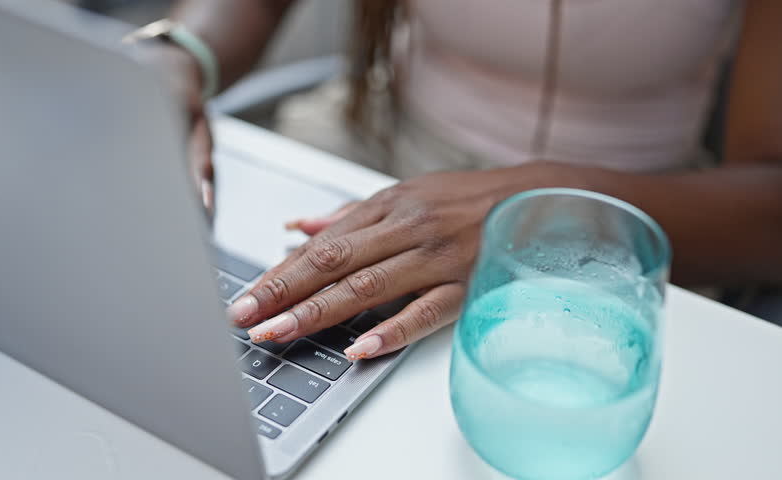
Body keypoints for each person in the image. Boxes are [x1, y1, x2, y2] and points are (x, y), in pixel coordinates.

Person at [135, 0, 782, 361]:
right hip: (372, 147)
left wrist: (536, 211)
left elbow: (769, 204)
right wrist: (180, 52)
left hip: (630, 211)